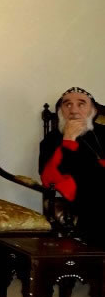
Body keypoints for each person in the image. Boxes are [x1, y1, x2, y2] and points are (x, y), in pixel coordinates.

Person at [39, 86, 105, 247]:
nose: (74, 110)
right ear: (61, 111)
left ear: (93, 110)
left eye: (81, 104)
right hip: (88, 195)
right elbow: (49, 178)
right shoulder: (52, 139)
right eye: (67, 104)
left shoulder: (103, 133)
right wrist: (69, 140)